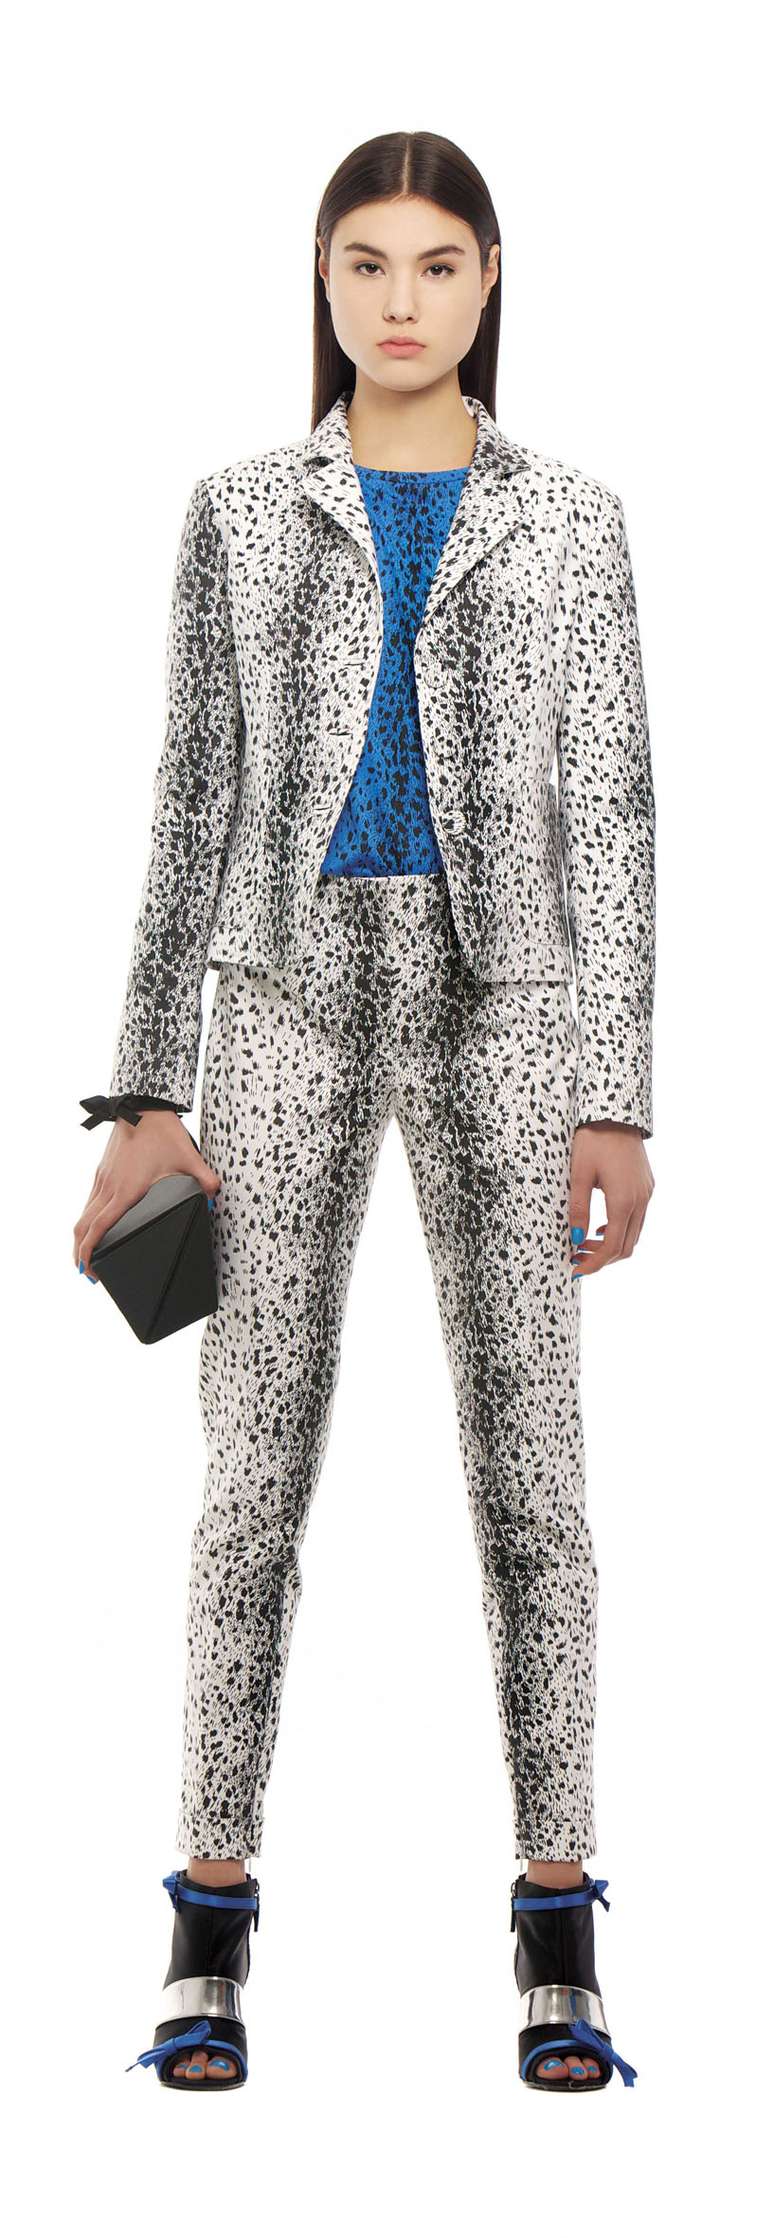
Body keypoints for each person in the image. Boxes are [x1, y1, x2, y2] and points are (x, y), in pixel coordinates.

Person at [74, 129, 655, 2095]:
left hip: (510, 1014)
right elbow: (188, 800)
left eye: (436, 264)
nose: (399, 301)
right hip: (283, 1006)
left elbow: (614, 811)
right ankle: (206, 1927)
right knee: (249, 1475)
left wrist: (614, 1092)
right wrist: (143, 1089)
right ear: (321, 282)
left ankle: (560, 1926)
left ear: (490, 280)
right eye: (363, 264)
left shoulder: (573, 520)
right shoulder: (241, 511)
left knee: (534, 1477)